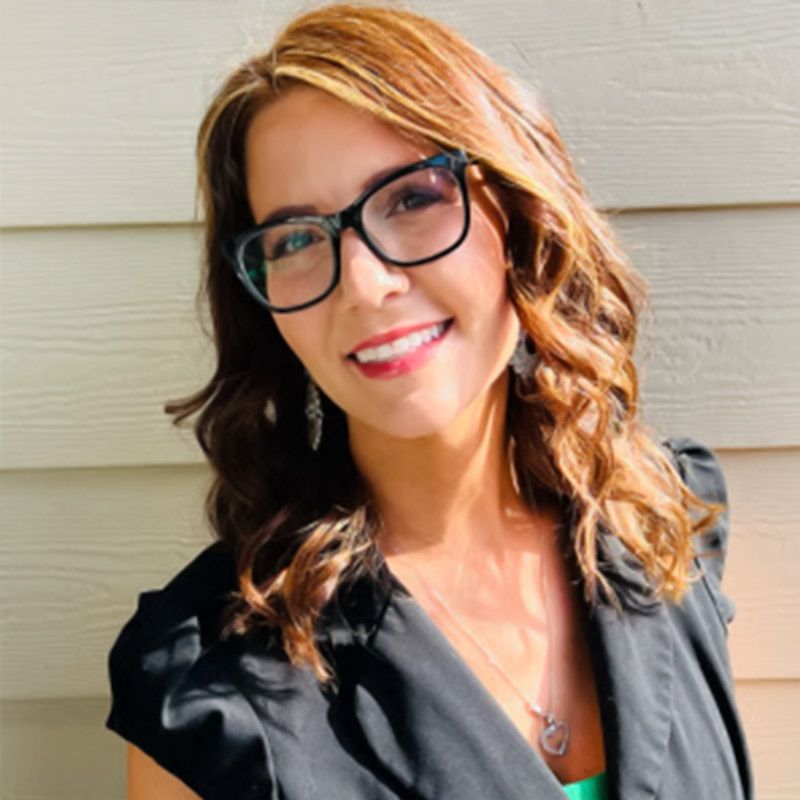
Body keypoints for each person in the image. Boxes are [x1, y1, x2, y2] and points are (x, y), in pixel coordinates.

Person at [104, 3, 754, 798]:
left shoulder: (661, 522)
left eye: (412, 199)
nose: (368, 286)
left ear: (519, 215)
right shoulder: (213, 694)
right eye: (297, 239)